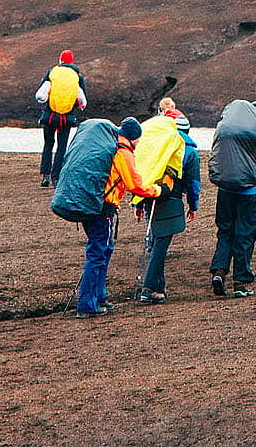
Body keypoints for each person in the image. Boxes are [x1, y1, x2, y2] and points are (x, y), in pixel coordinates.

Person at [76, 117, 160, 318]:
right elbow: (135, 185)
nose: (139, 143)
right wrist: (156, 190)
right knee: (98, 253)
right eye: (138, 139)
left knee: (104, 249)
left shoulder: (109, 146)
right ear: (132, 138)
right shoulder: (123, 153)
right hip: (103, 209)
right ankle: (87, 304)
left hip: (91, 205)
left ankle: (100, 297)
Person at [209, 100, 256, 298]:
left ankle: (219, 271)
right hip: (250, 193)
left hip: (225, 190)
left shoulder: (228, 134)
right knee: (244, 235)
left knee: (225, 231)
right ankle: (240, 282)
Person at [137, 102, 200, 303]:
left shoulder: (153, 145)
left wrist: (138, 203)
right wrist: (193, 204)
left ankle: (158, 289)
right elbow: (193, 182)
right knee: (161, 245)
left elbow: (144, 170)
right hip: (170, 199)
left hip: (149, 196)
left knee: (156, 240)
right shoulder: (189, 151)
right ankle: (147, 288)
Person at [35, 49, 86, 188]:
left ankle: (45, 174)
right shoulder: (77, 76)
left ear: (60, 60)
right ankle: (56, 178)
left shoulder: (51, 73)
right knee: (61, 147)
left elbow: (42, 94)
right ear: (72, 61)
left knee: (48, 144)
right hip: (67, 117)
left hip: (49, 115)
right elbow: (82, 101)